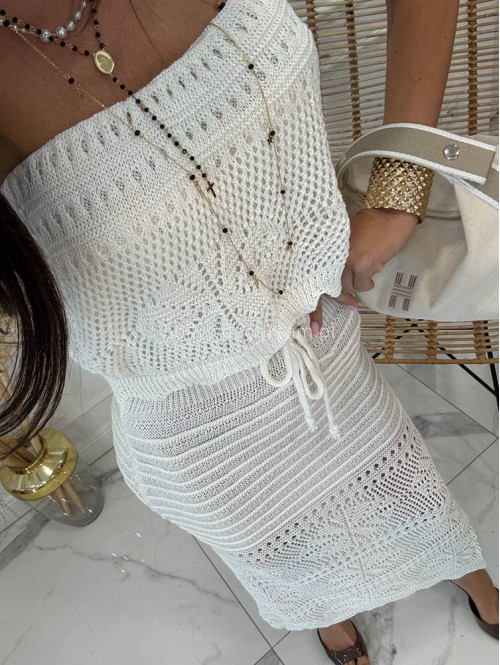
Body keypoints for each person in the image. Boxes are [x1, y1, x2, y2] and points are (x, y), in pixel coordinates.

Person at [0, 1, 497, 663]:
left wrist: (399, 187)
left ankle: (468, 573)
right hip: (197, 432)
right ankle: (327, 613)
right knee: (290, 555)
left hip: (322, 351)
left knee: (408, 488)